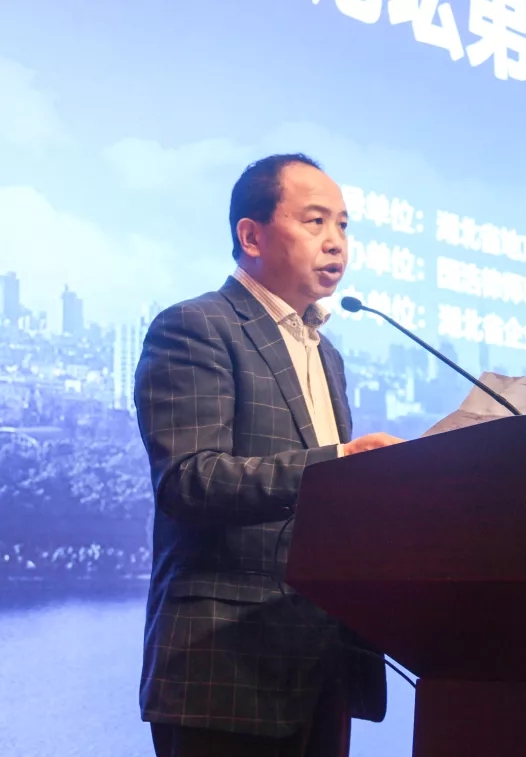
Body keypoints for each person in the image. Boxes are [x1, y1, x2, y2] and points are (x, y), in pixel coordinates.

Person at [134, 153, 400, 757]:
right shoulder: (197, 326)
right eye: (315, 221)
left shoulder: (326, 354)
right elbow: (190, 480)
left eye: (344, 225)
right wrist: (342, 463)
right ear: (251, 236)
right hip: (226, 664)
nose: (336, 242)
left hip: (322, 662)